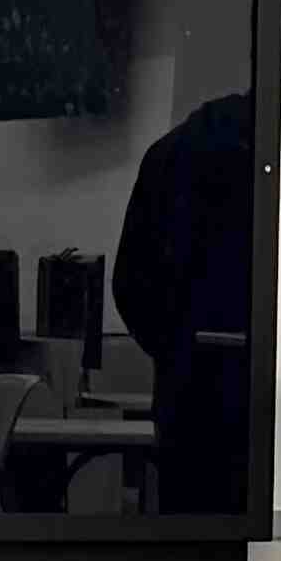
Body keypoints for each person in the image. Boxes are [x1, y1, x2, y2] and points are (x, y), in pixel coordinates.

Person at [113, 87, 258, 518]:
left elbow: (131, 286)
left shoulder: (168, 154)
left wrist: (179, 351)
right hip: (272, 402)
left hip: (189, 399)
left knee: (194, 534)